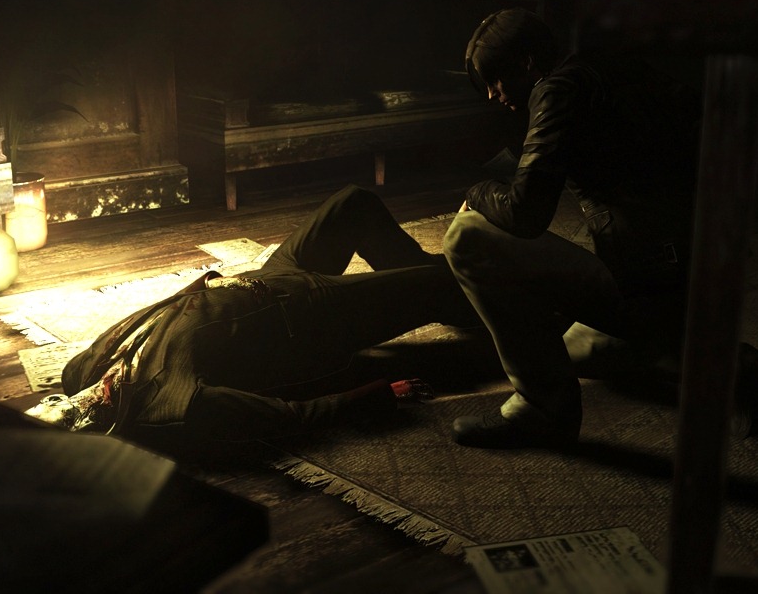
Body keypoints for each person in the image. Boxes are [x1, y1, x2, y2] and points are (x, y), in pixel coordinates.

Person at [444, 8, 758, 449]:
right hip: (705, 263)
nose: (492, 94)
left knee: (466, 236)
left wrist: (479, 190)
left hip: (647, 277)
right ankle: (703, 357)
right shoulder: (612, 64)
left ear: (526, 62)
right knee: (573, 350)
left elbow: (526, 214)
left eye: (495, 80)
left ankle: (543, 410)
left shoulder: (556, 90)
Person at [24, 184, 479, 442]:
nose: (61, 402)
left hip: (267, 277)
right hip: (312, 313)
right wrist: (377, 396)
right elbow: (287, 417)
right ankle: (481, 303)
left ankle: (436, 289)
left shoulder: (81, 370)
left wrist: (209, 283)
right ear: (89, 430)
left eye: (49, 404)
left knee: (354, 202)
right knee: (447, 278)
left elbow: (158, 314)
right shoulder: (172, 406)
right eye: (67, 415)